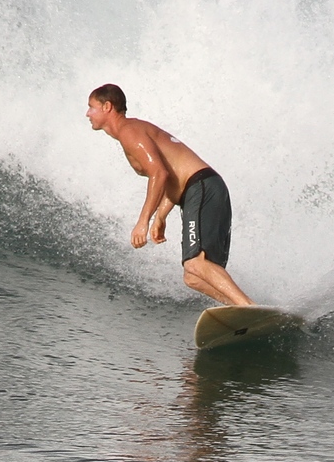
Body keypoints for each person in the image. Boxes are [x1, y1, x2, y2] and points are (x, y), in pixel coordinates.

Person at [86, 83, 254, 306]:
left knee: (195, 263)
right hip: (203, 188)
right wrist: (161, 216)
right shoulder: (133, 130)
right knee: (193, 277)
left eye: (92, 107)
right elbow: (171, 175)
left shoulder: (129, 131)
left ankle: (248, 307)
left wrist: (143, 221)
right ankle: (244, 311)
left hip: (201, 187)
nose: (88, 113)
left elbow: (159, 173)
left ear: (107, 107)